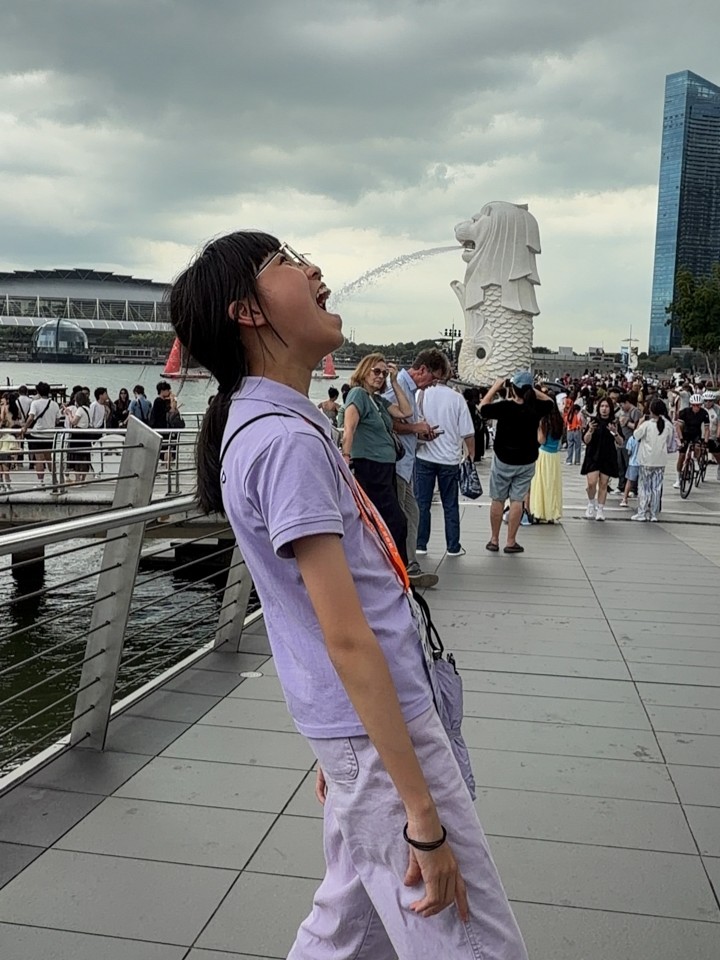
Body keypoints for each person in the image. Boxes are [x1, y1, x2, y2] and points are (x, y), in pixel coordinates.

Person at [167, 230, 528, 960]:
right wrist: (420, 813)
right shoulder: (286, 441)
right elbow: (347, 634)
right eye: (286, 262)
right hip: (385, 732)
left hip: (363, 732)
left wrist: (342, 750)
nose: (314, 271)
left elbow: (309, 614)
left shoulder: (271, 427)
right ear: (247, 311)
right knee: (473, 944)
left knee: (348, 934)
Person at [383, 349, 448, 587]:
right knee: (402, 515)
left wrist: (420, 433)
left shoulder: (409, 390)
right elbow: (386, 420)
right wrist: (415, 429)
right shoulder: (398, 386)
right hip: (396, 464)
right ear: (422, 370)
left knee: (412, 513)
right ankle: (402, 565)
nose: (432, 384)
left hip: (405, 464)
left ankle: (409, 564)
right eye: (434, 378)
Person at [341, 354, 413, 563]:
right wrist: (346, 456)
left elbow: (405, 412)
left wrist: (394, 382)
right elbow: (349, 427)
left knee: (388, 520)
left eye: (384, 373)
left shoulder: (378, 401)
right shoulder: (358, 394)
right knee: (395, 521)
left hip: (385, 468)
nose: (380, 376)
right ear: (364, 371)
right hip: (370, 467)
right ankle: (397, 566)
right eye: (376, 371)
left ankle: (392, 565)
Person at [480, 371, 555, 554]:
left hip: (503, 459)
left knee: (498, 499)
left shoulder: (504, 407)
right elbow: (550, 402)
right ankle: (511, 541)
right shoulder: (535, 407)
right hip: (526, 460)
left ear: (513, 389)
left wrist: (496, 386)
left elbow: (482, 408)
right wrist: (532, 389)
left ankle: (494, 539)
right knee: (517, 500)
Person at [415, 374, 475, 558]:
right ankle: (453, 546)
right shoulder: (457, 398)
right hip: (449, 459)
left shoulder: (420, 393)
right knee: (450, 504)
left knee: (422, 503)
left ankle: (420, 544)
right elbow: (468, 432)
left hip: (424, 455)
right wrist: (470, 456)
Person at [581, 398, 624, 521]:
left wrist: (615, 432)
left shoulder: (614, 422)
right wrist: (590, 430)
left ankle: (600, 509)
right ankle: (591, 503)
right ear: (598, 408)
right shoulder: (593, 421)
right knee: (591, 483)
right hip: (593, 454)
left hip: (607, 455)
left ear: (610, 408)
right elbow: (586, 440)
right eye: (602, 406)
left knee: (604, 483)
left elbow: (620, 442)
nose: (604, 409)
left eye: (607, 406)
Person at [631, 400, 673, 521]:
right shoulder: (668, 425)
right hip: (660, 460)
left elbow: (636, 435)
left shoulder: (647, 424)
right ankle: (654, 513)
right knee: (656, 488)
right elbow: (669, 442)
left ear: (651, 410)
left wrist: (639, 423)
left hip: (646, 459)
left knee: (644, 487)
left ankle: (642, 512)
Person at [529, 402, 564, 523]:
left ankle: (539, 512)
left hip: (543, 455)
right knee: (552, 485)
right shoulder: (559, 420)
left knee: (540, 484)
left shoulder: (543, 421)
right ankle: (551, 513)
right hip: (554, 456)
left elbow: (541, 440)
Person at [21, 381, 61, 486]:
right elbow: (57, 420)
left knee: (39, 459)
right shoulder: (54, 404)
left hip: (37, 434)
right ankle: (54, 480)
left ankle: (40, 482)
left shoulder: (35, 403)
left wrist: (25, 427)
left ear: (38, 392)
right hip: (50, 435)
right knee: (49, 458)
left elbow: (31, 417)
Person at [673, 393, 709, 488]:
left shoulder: (704, 413)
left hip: (696, 434)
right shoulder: (684, 412)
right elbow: (678, 427)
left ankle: (696, 460)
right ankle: (678, 478)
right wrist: (681, 439)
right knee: (682, 455)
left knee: (697, 447)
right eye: (694, 405)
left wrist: (705, 441)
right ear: (691, 405)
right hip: (685, 434)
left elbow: (706, 429)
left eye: (698, 405)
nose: (696, 407)